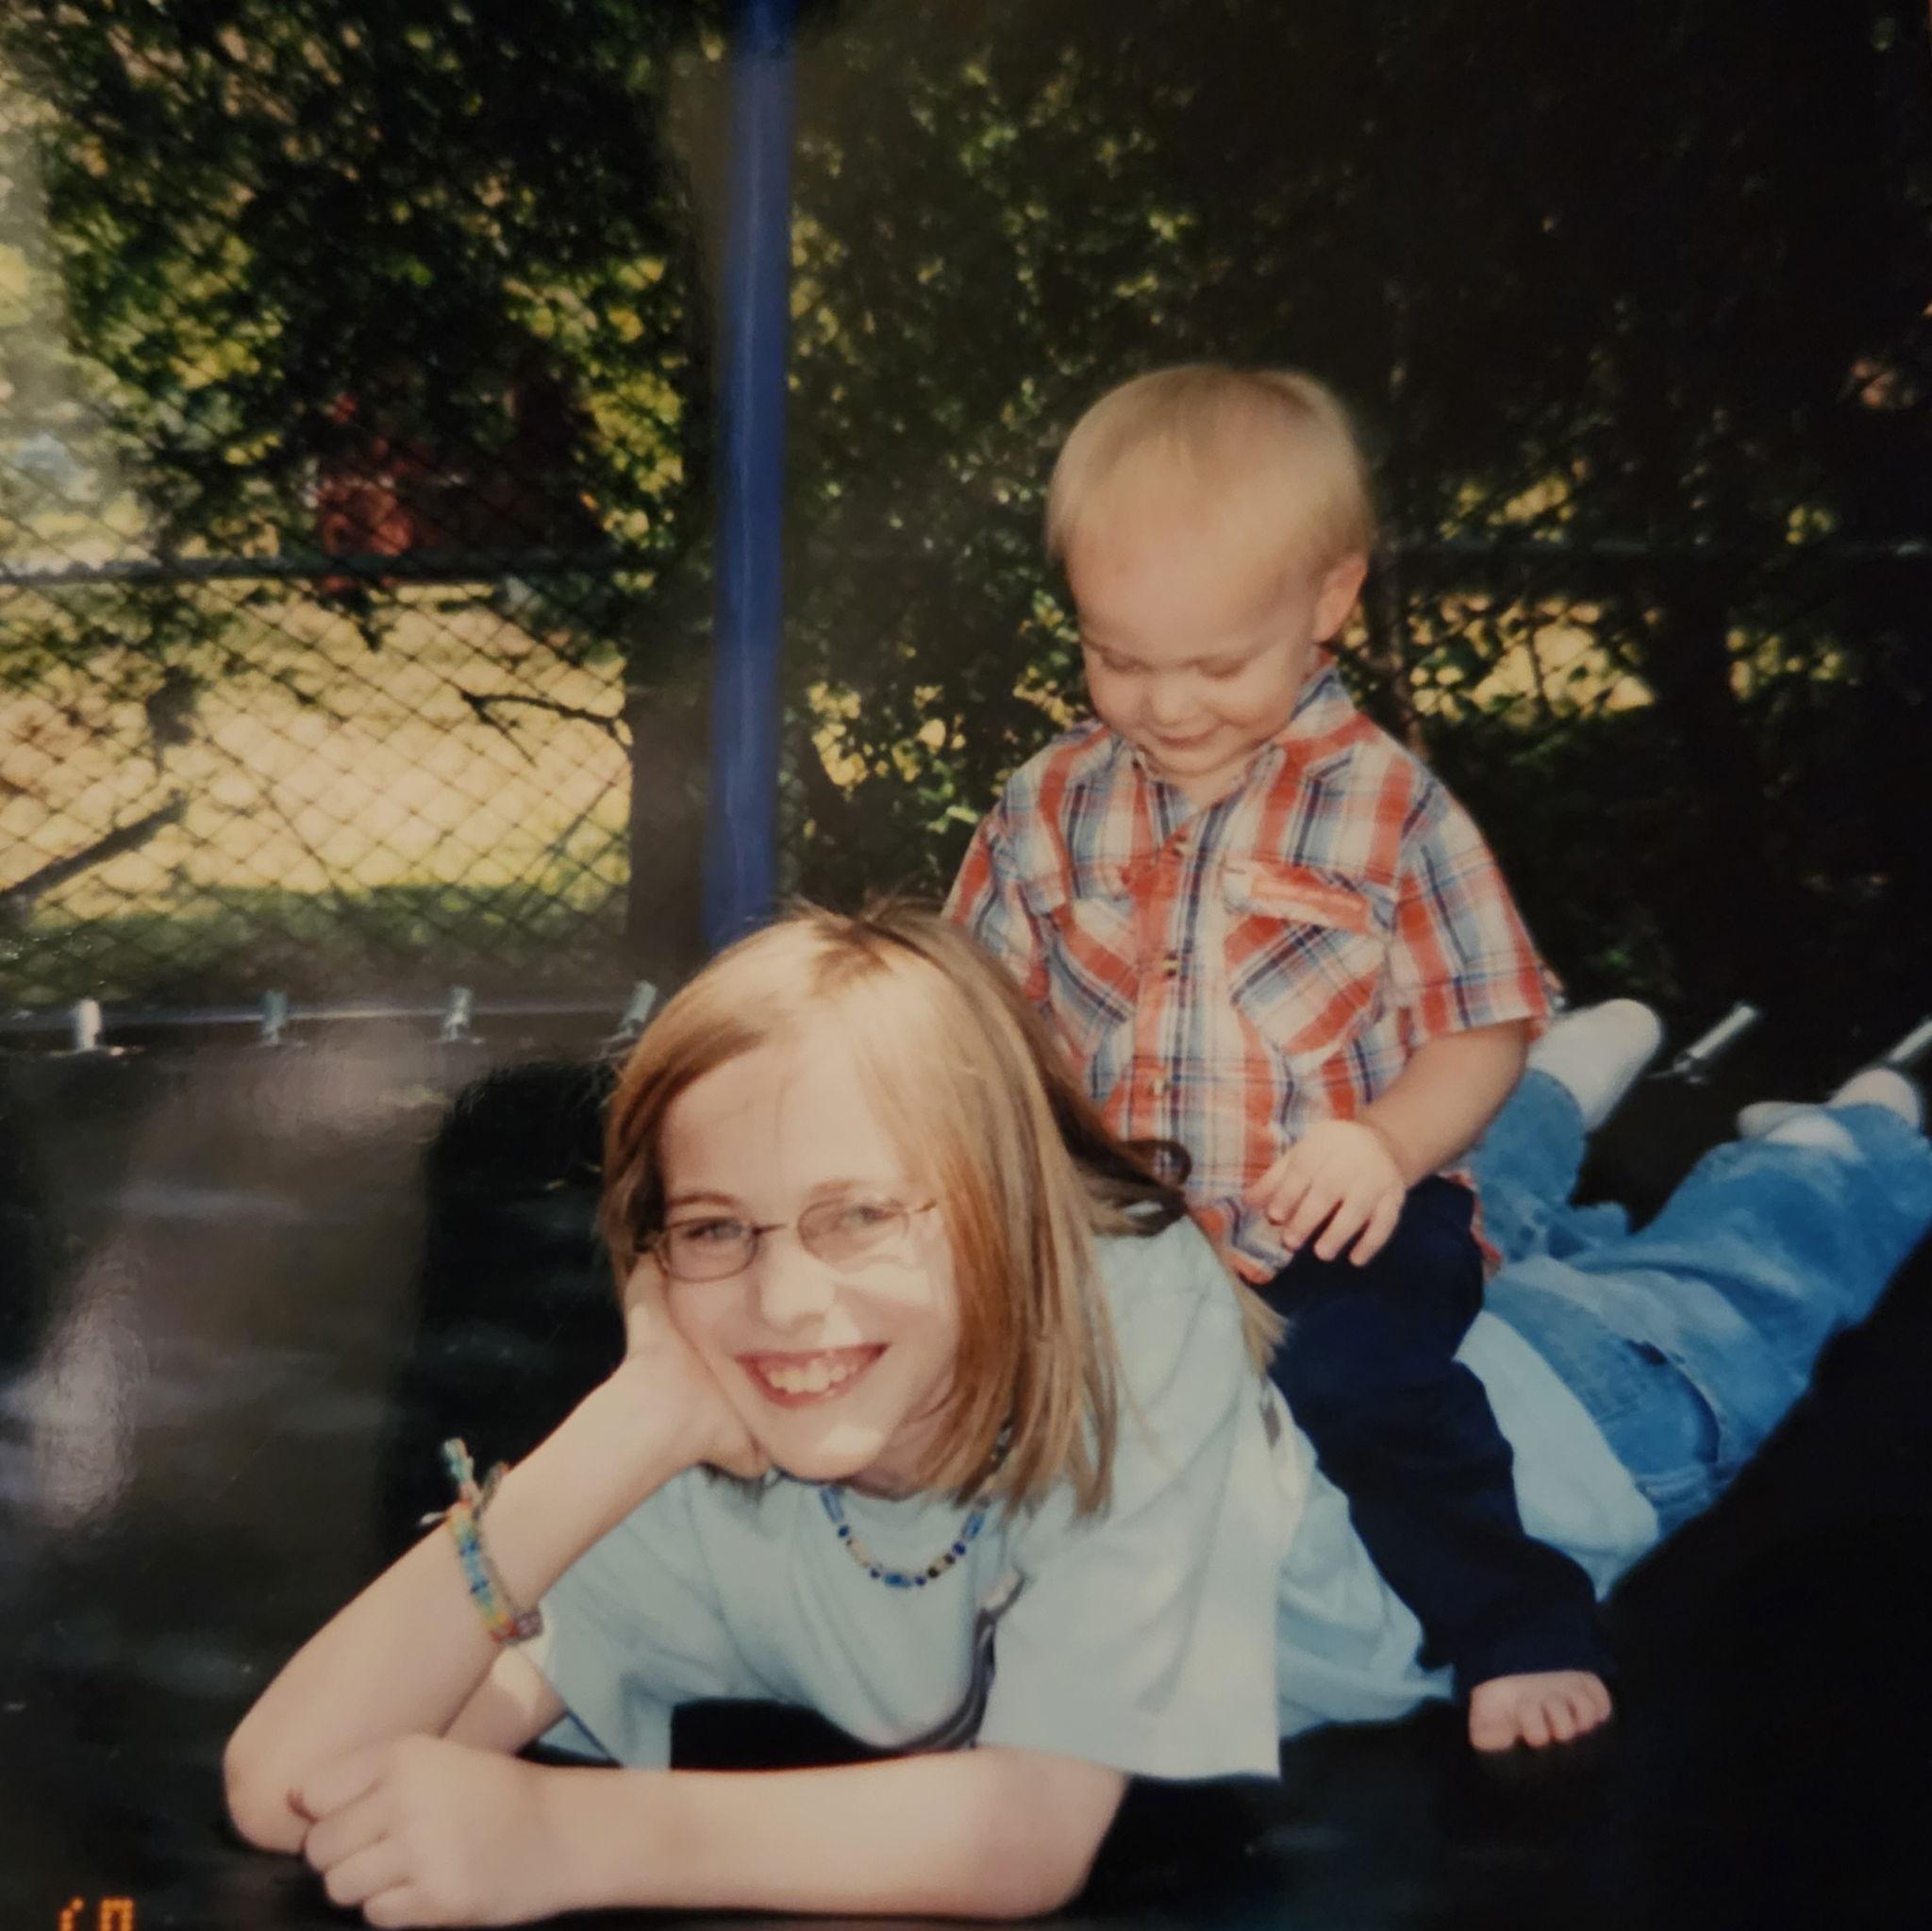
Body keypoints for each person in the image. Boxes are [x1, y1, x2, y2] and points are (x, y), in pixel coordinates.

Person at [224, 905, 1932, 1927]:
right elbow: (285, 1784)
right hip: (1350, 1369)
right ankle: (1552, 1091)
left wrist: (564, 1838)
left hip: (1558, 1443)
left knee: (1737, 1273)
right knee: (1444, 1235)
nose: (790, 1304)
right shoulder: (696, 1439)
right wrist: (627, 1419)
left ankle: (1860, 1119)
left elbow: (1023, 1834)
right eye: (717, 1231)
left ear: (1007, 1213)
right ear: (653, 1260)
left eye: (862, 1214)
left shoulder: (1129, 1307)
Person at [947, 362, 1607, 1750]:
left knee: (1362, 1385)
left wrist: (1390, 1146)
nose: (1164, 705)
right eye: (1116, 657)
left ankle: (1513, 1621)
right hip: (1126, 1224)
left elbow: (1478, 1023)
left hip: (1339, 1206)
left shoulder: (1387, 809)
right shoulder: (1046, 804)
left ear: (1327, 604)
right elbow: (975, 1012)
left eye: (1214, 664)